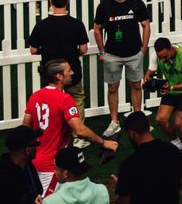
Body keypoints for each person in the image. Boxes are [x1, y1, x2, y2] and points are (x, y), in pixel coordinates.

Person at [27, 59, 118, 196]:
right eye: (68, 70)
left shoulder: (35, 96)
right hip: (52, 166)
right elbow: (80, 130)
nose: (72, 73)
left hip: (35, 162)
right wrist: (104, 142)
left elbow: (26, 126)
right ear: (59, 76)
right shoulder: (65, 99)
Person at [92, 0, 152, 138]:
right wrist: (101, 51)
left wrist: (143, 49)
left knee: (136, 86)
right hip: (112, 54)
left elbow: (146, 25)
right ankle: (114, 122)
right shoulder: (104, 6)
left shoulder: (137, 4)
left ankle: (138, 121)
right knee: (112, 87)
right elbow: (97, 28)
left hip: (134, 53)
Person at [147, 37, 182, 162]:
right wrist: (149, 81)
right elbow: (149, 73)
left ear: (171, 48)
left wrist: (171, 88)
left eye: (165, 57)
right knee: (161, 119)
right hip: (172, 89)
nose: (163, 60)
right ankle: (177, 145)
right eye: (160, 57)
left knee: (179, 123)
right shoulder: (157, 55)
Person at [116, 110, 182, 204]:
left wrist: (122, 188)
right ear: (148, 127)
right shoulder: (172, 150)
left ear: (132, 133)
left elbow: (124, 201)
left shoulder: (128, 165)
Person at [0, 124, 43, 204]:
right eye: (35, 144)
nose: (37, 147)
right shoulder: (5, 184)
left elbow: (38, 190)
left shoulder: (28, 166)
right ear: (27, 150)